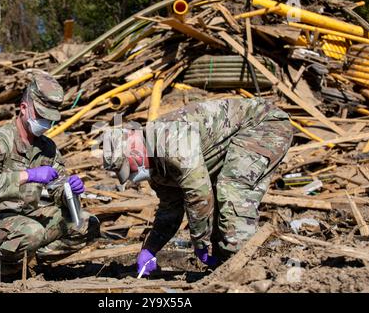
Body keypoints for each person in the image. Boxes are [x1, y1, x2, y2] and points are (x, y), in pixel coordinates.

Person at [103, 97, 292, 276]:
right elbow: (170, 211)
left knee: (232, 190)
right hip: (236, 138)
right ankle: (224, 266)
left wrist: (200, 243)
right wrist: (150, 249)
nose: (134, 176)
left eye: (130, 167)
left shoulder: (170, 139)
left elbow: (199, 195)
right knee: (221, 194)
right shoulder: (158, 169)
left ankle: (245, 266)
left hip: (264, 125)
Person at [0, 71, 99, 281]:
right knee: (31, 232)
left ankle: (26, 260)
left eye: (50, 119)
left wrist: (70, 188)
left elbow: (58, 190)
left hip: (25, 220)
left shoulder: (48, 148)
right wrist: (27, 175)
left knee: (85, 222)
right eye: (41, 116)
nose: (45, 123)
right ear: (23, 108)